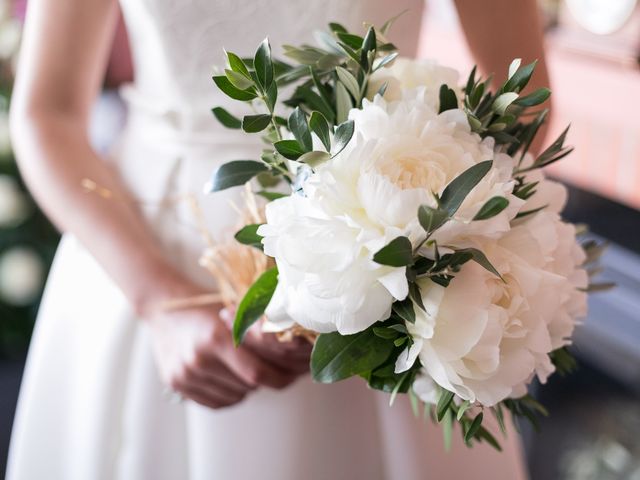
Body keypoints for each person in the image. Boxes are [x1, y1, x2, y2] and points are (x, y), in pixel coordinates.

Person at [6, 0, 548, 478]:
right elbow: (46, 114)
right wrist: (161, 302)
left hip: (383, 229)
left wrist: (418, 229)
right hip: (153, 240)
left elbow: (523, 105)